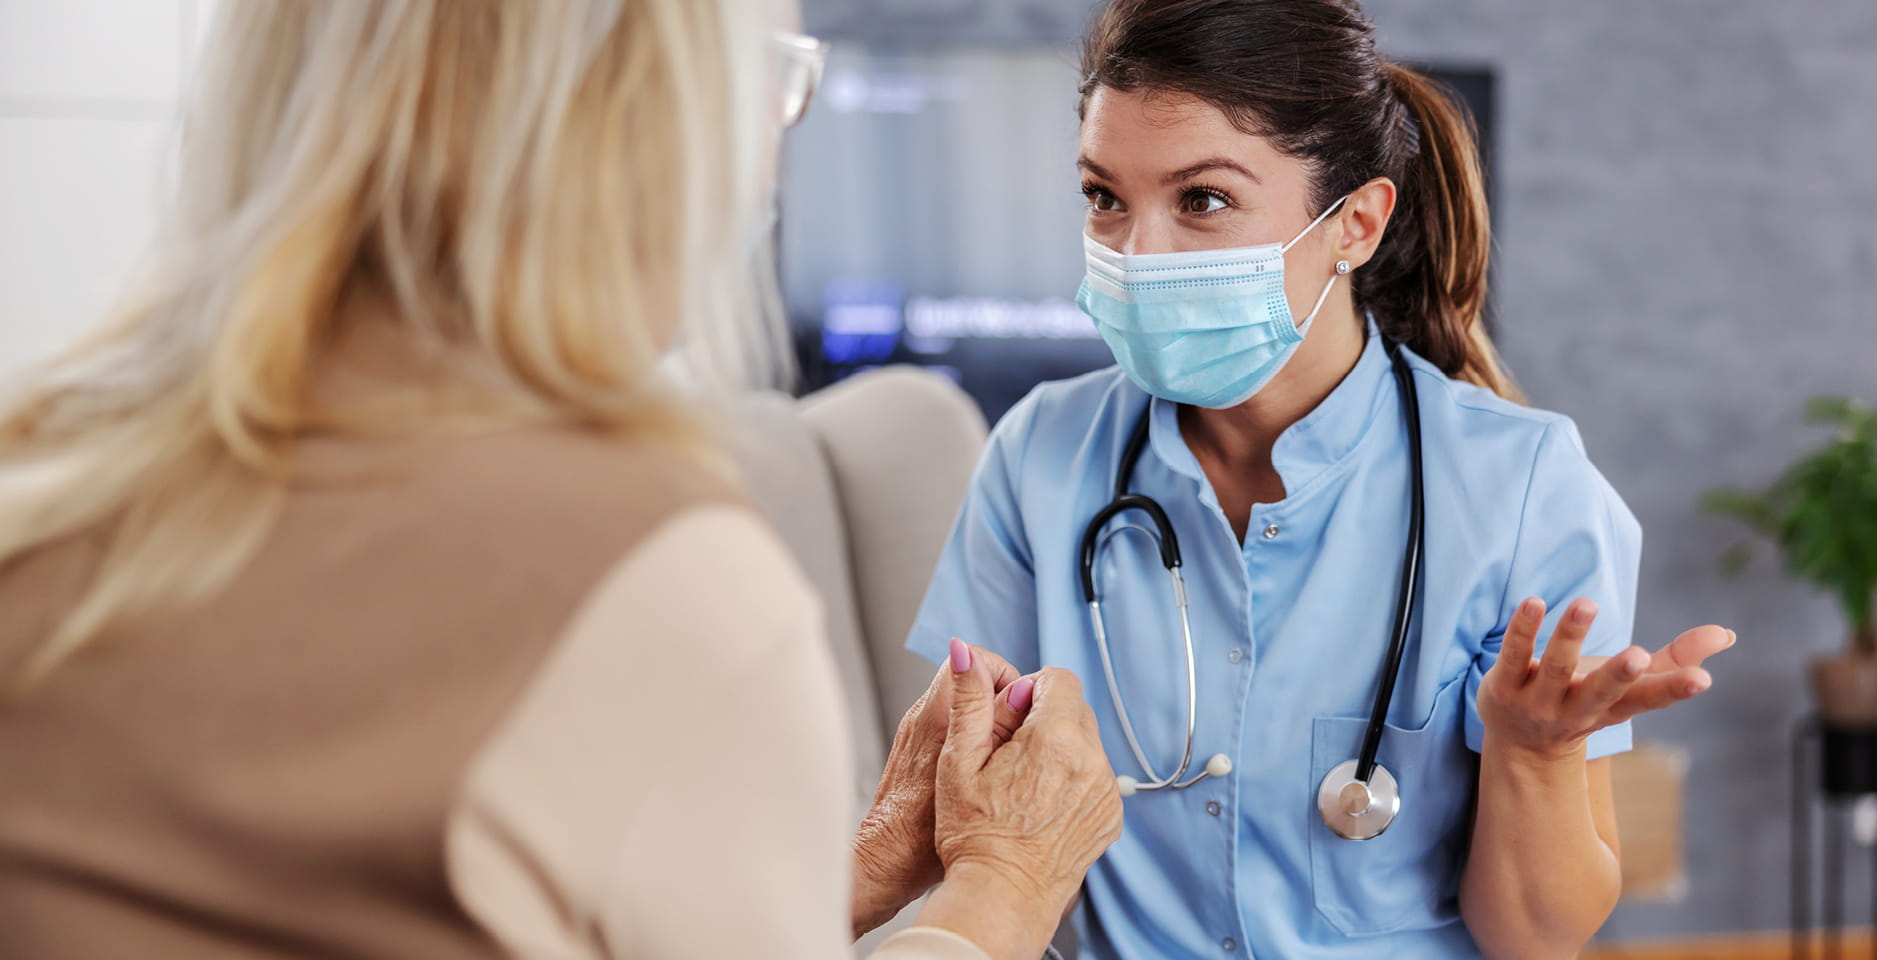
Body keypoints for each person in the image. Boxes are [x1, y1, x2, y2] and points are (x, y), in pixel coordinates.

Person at [0, 3, 1117, 959]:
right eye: (782, 84)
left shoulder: (45, 477)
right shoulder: (657, 572)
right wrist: (1006, 888)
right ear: (650, 111)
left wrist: (862, 872)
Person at [906, 1, 1735, 958]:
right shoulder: (1040, 457)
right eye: (1104, 197)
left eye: (1203, 200)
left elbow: (1536, 939)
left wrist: (1533, 752)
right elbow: (974, 839)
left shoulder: (1525, 488)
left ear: (1356, 224)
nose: (1138, 255)